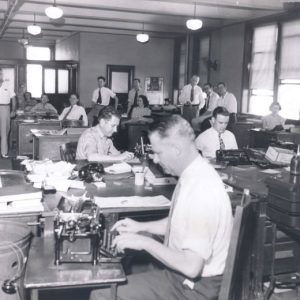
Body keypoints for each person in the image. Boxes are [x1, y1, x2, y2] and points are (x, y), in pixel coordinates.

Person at [90, 115, 233, 300]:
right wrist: (141, 227)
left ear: (176, 149)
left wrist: (144, 242)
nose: (155, 160)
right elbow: (181, 223)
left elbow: (192, 266)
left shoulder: (201, 190)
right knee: (123, 263)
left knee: (102, 293)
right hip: (185, 277)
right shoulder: (195, 173)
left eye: (158, 152)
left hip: (194, 288)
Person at [0, 68, 16, 158]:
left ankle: (4, 152)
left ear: (2, 74)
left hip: (5, 108)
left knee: (5, 130)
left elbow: (13, 98)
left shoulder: (8, 84)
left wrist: (13, 110)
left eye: (0, 74)